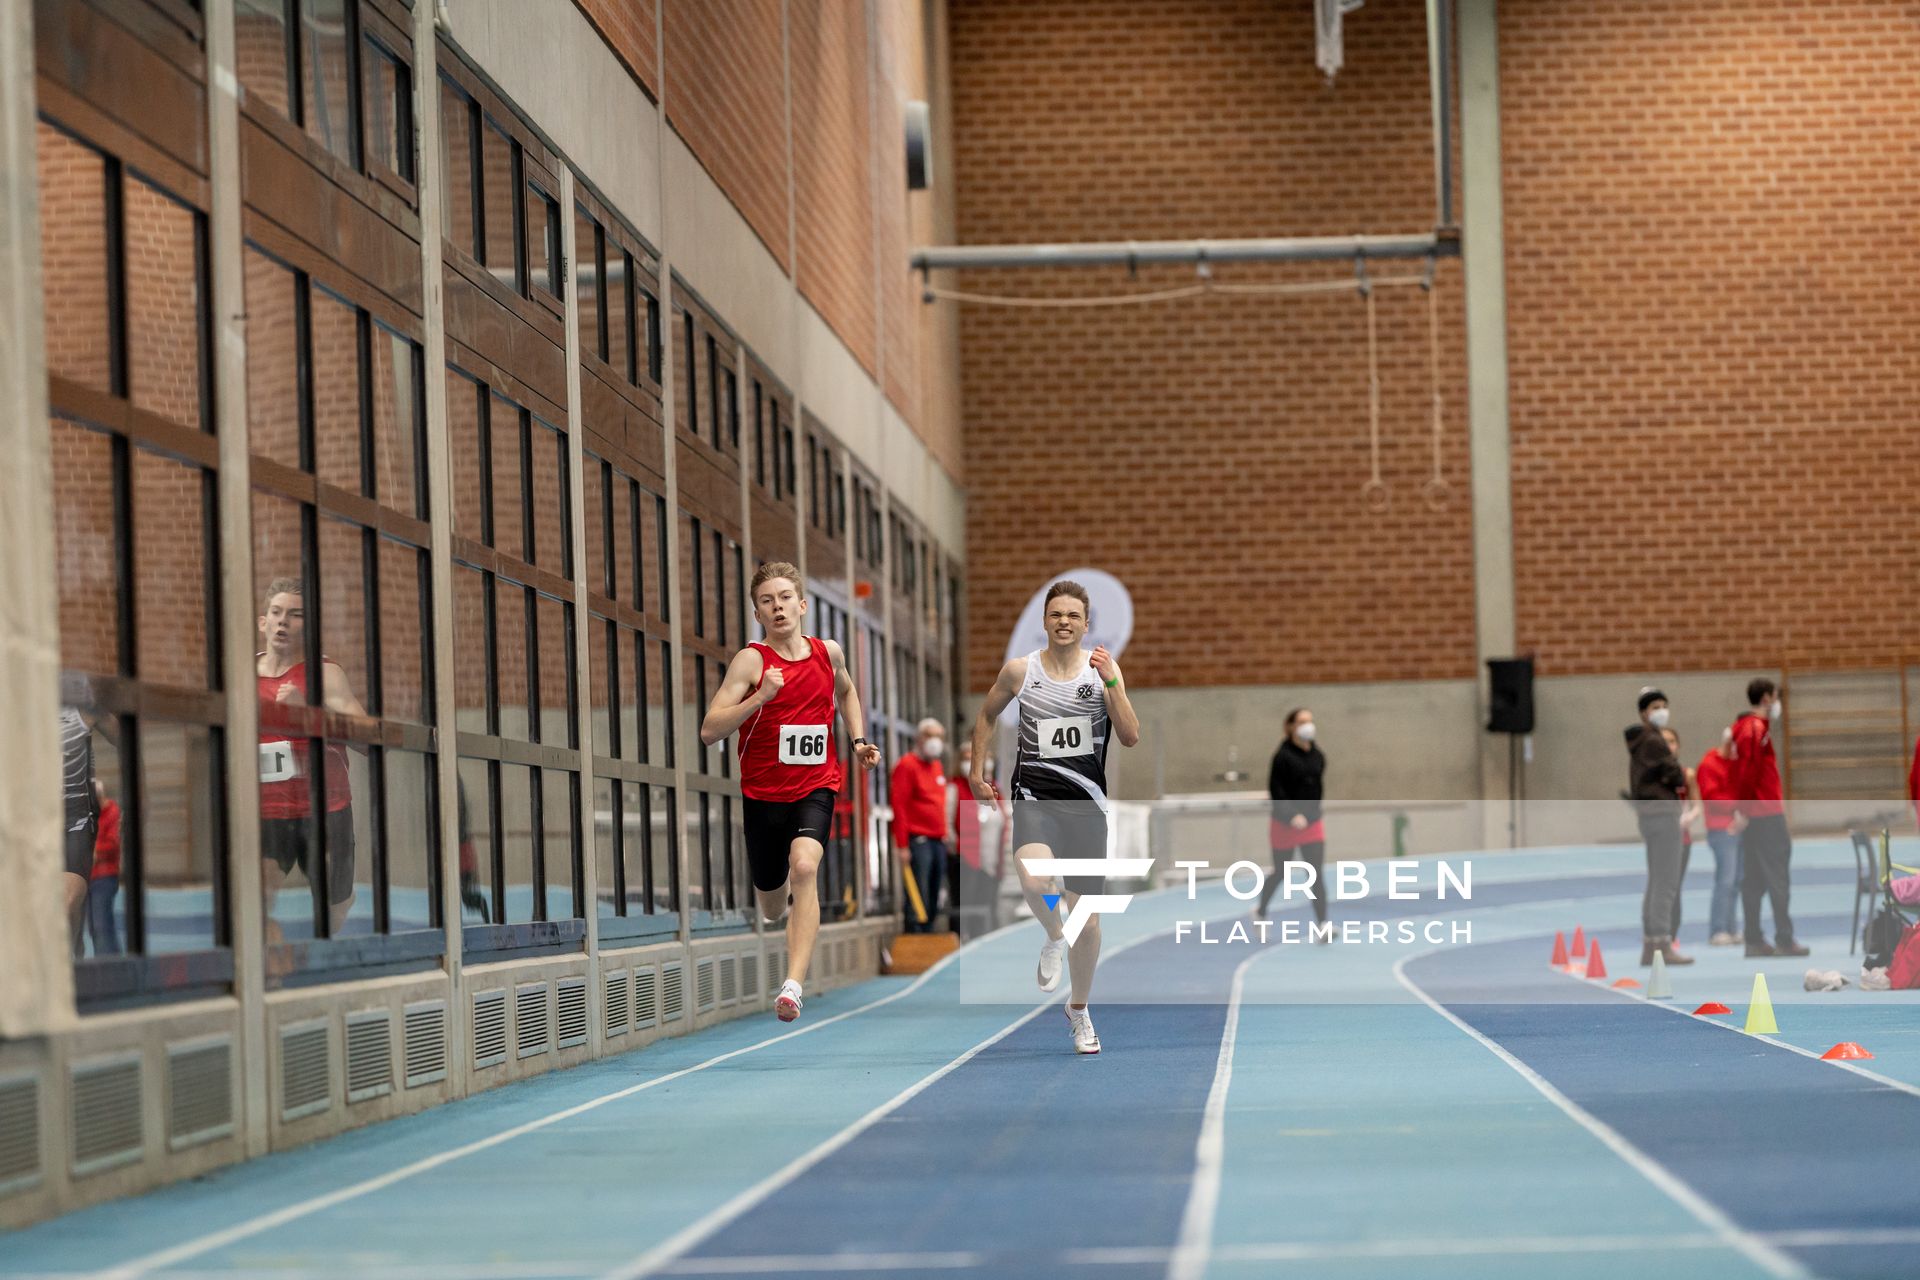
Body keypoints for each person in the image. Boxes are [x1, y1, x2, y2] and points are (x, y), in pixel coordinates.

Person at [700, 562, 880, 1023]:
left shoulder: (828, 652)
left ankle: (793, 985)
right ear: (758, 614)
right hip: (763, 796)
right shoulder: (752, 661)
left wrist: (858, 741)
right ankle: (777, 910)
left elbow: (847, 693)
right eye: (767, 601)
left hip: (815, 785)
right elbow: (708, 730)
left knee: (805, 866)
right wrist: (760, 697)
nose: (777, 606)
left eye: (784, 597)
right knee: (773, 903)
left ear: (802, 605)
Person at [969, 580, 1141, 1055]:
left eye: (1073, 615)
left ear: (1086, 625)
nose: (1064, 621)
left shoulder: (1101, 671)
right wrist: (975, 769)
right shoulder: (1022, 672)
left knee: (1087, 922)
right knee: (1038, 880)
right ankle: (1050, 934)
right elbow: (985, 717)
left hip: (1086, 807)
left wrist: (1111, 684)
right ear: (1044, 622)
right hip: (1035, 799)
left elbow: (1128, 735)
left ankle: (1079, 1011)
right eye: (1055, 614)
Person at [257, 577, 370, 943]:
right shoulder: (242, 676)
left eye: (295, 615)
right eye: (276, 613)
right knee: (253, 905)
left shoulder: (325, 675)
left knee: (332, 917)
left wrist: (307, 712)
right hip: (268, 811)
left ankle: (342, 899)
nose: (283, 622)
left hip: (326, 810)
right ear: (263, 622)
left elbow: (368, 740)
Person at [1727, 678, 1807, 958]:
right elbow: (1749, 771)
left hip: (1756, 813)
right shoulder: (1754, 729)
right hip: (1764, 814)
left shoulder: (1741, 729)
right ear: (1766, 698)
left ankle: (1754, 939)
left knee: (1755, 878)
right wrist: (1745, 810)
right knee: (1776, 877)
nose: (1777, 703)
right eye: (1775, 697)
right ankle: (1783, 938)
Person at [1624, 688, 1692, 966]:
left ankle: (1650, 945)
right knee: (1666, 881)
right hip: (1663, 816)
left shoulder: (1639, 743)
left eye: (1665, 704)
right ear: (1644, 713)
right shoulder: (1653, 741)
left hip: (1650, 817)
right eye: (1656, 706)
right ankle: (1662, 943)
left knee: (1656, 880)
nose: (1662, 710)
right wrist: (1677, 774)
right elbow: (1675, 774)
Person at [1258, 708, 1328, 934]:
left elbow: (1317, 790)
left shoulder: (1317, 756)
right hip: (1285, 824)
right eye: (1302, 722)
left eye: (1310, 721)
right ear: (1291, 727)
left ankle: (1323, 924)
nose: (1308, 726)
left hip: (1312, 823)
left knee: (1315, 873)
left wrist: (1311, 814)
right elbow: (1276, 791)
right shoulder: (1282, 758)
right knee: (1281, 871)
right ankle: (1260, 910)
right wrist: (1291, 815)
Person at [889, 719, 950, 934]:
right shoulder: (907, 765)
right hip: (918, 841)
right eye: (929, 735)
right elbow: (899, 806)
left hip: (938, 840)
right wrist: (903, 845)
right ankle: (915, 933)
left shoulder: (936, 766)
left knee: (935, 892)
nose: (935, 741)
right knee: (918, 892)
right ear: (919, 738)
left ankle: (929, 932)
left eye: (939, 736)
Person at [1696, 727, 1742, 945]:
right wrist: (1738, 807)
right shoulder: (1708, 765)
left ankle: (1732, 928)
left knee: (1736, 881)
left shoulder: (1736, 763)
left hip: (1739, 826)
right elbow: (1713, 799)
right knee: (1725, 880)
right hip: (1721, 829)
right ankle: (1718, 929)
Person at [58, 704, 97, 958]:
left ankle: (68, 960)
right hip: (37, 824)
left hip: (76, 820)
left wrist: (142, 794)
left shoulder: (82, 711)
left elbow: (126, 738)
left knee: (67, 901)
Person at [1661, 726, 1698, 947]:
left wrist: (1689, 817)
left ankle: (1672, 934)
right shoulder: (1654, 776)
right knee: (1661, 887)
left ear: (1678, 745)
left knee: (1674, 887)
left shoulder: (1687, 774)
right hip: (1660, 839)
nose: (1668, 746)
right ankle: (1657, 932)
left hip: (1682, 841)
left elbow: (1697, 806)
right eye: (1664, 741)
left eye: (1672, 741)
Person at [88, 779, 122, 956]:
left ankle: (109, 963)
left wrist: (95, 851)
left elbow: (113, 844)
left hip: (105, 876)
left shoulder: (112, 812)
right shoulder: (90, 815)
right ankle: (107, 961)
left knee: (101, 924)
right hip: (90, 877)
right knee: (95, 926)